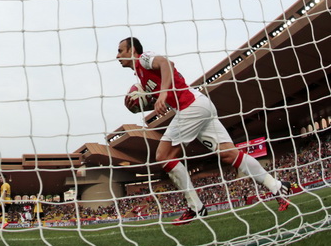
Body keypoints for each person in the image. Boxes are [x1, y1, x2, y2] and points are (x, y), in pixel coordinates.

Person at [116, 37, 291, 225]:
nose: (117, 55)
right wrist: (153, 101)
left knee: (163, 155)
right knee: (229, 155)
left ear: (132, 50)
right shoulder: (141, 77)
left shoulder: (144, 58)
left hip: (190, 106)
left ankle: (195, 207)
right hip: (200, 105)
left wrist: (164, 93)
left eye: (120, 51)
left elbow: (167, 63)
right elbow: (164, 88)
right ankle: (277, 186)